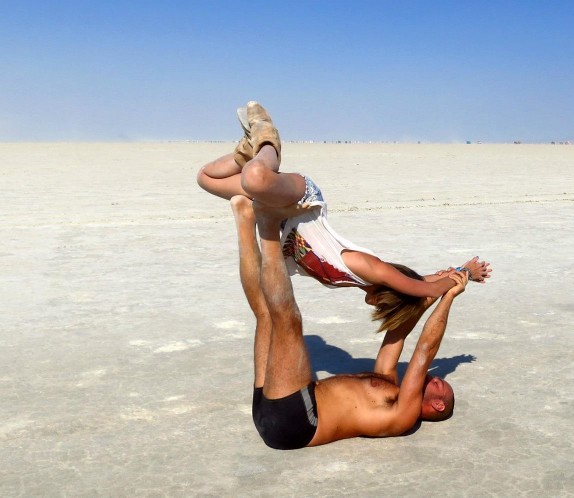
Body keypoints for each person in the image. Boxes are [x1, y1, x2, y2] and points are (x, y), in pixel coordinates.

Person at [197, 101, 490, 333]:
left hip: (276, 214)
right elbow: (424, 288)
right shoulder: (368, 268)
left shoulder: (358, 281)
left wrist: (456, 269)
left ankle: (247, 151)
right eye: (382, 308)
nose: (373, 307)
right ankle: (268, 141)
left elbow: (424, 280)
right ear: (388, 296)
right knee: (255, 179)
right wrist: (463, 276)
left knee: (206, 177)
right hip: (302, 201)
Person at [230, 193, 467, 448]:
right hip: (274, 409)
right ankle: (245, 218)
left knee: (288, 322)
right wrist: (434, 290)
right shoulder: (387, 381)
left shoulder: (403, 416)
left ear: (438, 405)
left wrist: (449, 298)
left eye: (443, 388)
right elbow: (398, 332)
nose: (438, 379)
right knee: (266, 315)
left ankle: (267, 224)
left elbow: (425, 351)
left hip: (297, 422)